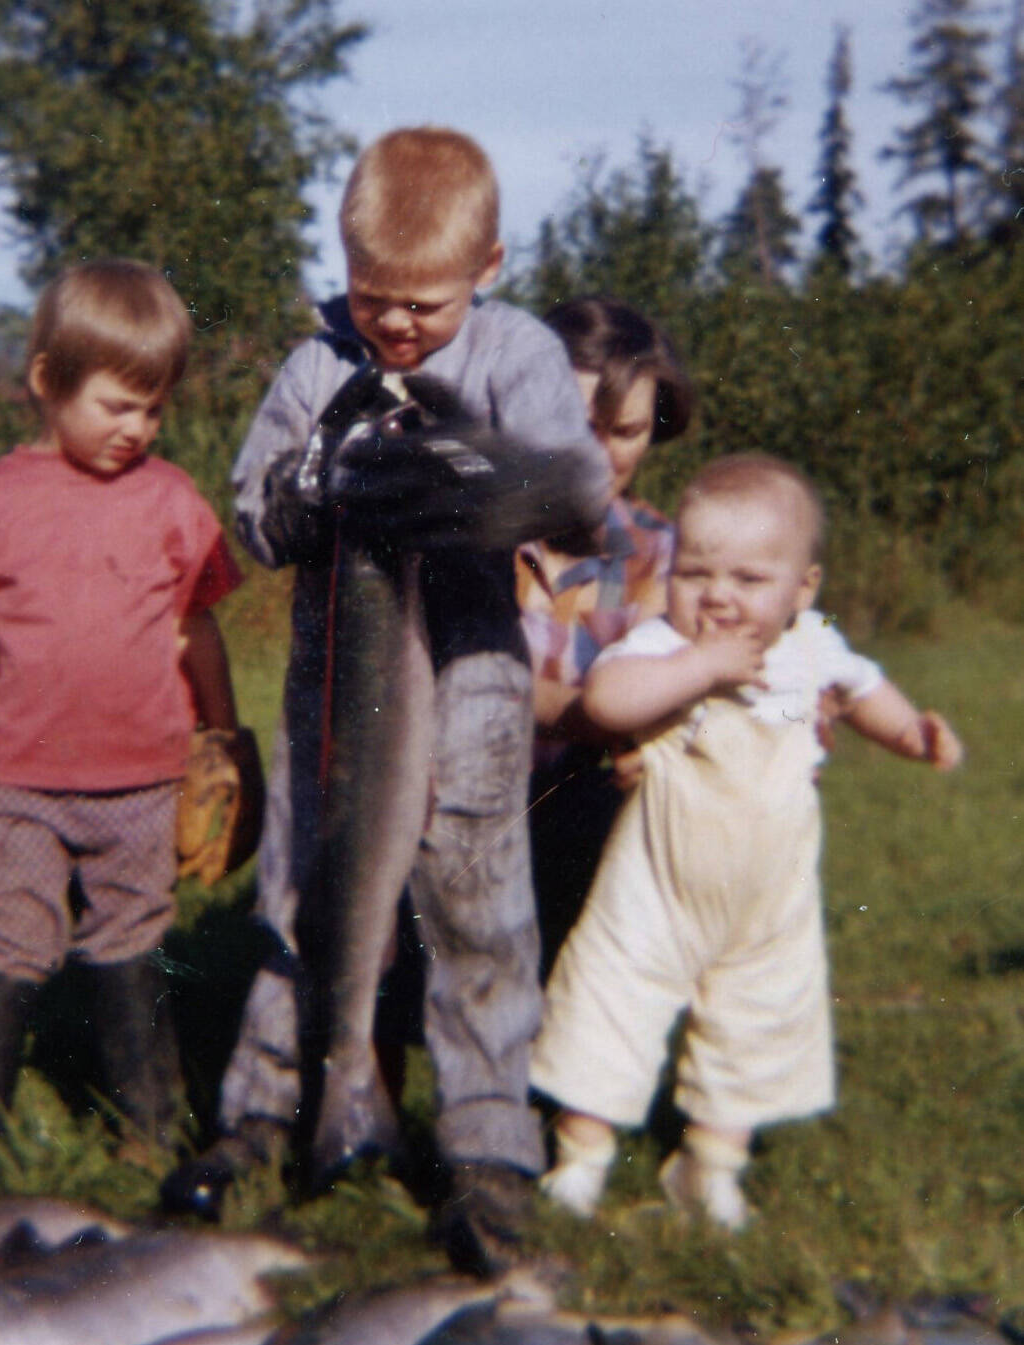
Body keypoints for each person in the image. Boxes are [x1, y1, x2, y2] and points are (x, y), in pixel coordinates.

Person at [161, 126, 611, 1274]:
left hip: (472, 690)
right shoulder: (316, 365)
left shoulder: (516, 356)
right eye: (373, 298)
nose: (397, 323)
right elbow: (252, 517)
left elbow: (580, 495)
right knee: (302, 894)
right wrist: (301, 498)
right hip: (335, 699)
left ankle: (483, 1150)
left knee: (476, 913)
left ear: (490, 268)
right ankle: (270, 1111)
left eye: (424, 303)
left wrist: (479, 476)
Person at [530, 454, 963, 1230]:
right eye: (696, 574)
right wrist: (699, 665)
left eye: (748, 580)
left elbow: (865, 690)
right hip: (656, 888)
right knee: (607, 1001)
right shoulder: (662, 645)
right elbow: (607, 696)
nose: (719, 597)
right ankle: (580, 1157)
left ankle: (710, 1163)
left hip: (765, 899)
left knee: (757, 1020)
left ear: (802, 589)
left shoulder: (812, 649)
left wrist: (910, 732)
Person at [0, 259, 246, 1156]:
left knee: (132, 940)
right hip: (19, 783)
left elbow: (196, 628)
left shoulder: (171, 502)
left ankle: (150, 1128)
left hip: (143, 781)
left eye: (154, 408)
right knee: (5, 939)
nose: (138, 428)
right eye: (116, 406)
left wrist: (221, 737)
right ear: (47, 381)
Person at [518, 297, 694, 978]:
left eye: (622, 432)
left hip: (582, 827)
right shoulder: (471, 537)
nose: (597, 456)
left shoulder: (664, 555)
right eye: (577, 426)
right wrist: (606, 715)